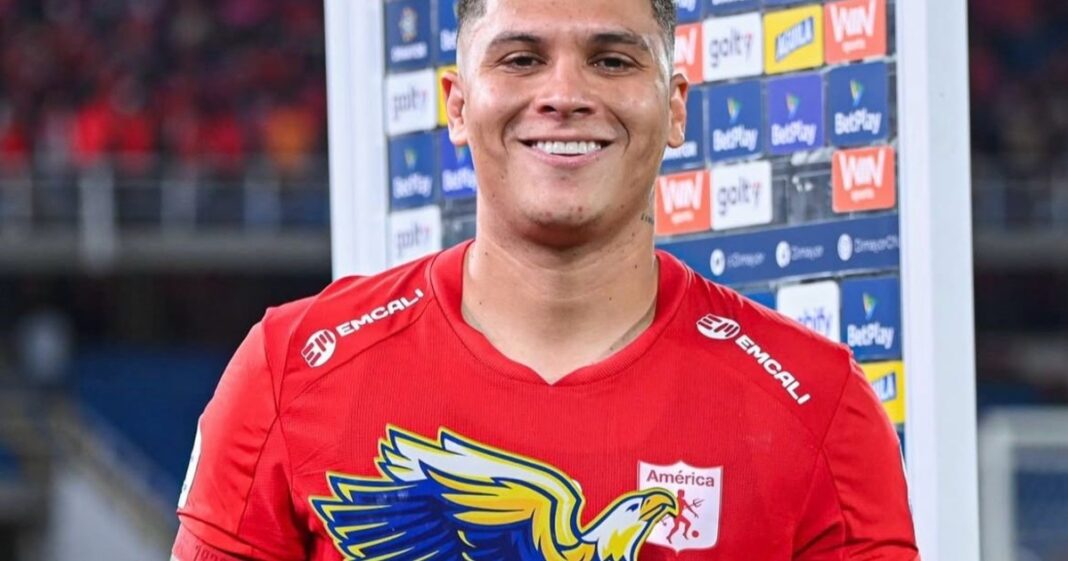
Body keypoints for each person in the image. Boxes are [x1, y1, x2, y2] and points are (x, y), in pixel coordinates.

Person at [171, 0, 920, 560]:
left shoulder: (818, 404)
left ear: (675, 108)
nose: (565, 93)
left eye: (612, 60)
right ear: (458, 105)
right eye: (521, 59)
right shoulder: (291, 366)